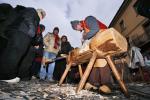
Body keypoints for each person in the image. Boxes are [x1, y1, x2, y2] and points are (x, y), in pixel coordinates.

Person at [0, 4, 46, 83]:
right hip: (22, 31)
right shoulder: (32, 11)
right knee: (15, 51)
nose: (42, 18)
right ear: (40, 13)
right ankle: (5, 75)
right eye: (42, 16)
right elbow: (28, 16)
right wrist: (31, 26)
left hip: (24, 34)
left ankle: (11, 74)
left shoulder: (35, 18)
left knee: (18, 53)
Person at [70, 16, 112, 94]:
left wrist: (84, 37)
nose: (77, 30)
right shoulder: (84, 30)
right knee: (93, 62)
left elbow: (95, 29)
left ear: (78, 24)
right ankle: (93, 83)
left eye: (76, 28)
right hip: (96, 44)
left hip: (105, 38)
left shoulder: (88, 19)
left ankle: (107, 84)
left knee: (103, 60)